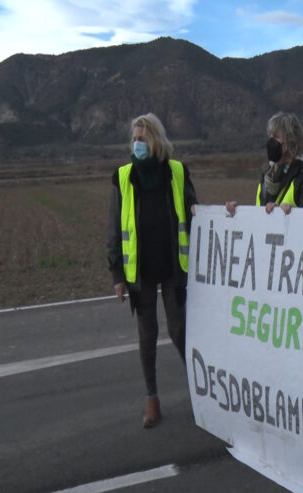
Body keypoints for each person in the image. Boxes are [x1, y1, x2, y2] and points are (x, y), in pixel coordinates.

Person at [106, 112, 197, 429]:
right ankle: (152, 400)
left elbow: (193, 211)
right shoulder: (124, 177)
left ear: (155, 139)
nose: (136, 143)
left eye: (141, 138)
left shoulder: (176, 171)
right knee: (147, 336)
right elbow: (115, 228)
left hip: (174, 267)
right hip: (140, 270)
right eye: (134, 138)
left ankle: (203, 393)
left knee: (179, 331)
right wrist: (117, 273)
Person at [225, 111, 303, 215]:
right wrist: (238, 213)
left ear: (290, 140)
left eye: (276, 137)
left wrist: (289, 212)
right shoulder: (267, 176)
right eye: (270, 136)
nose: (271, 141)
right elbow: (258, 216)